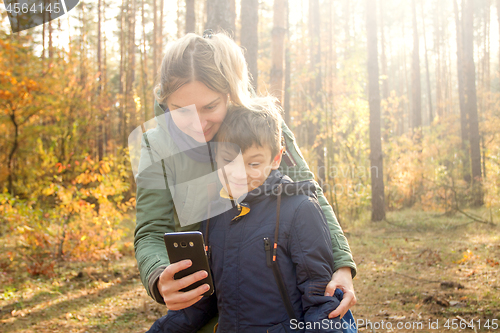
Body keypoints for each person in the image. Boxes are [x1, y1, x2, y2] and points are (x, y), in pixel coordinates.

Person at [133, 31, 357, 332]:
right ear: (165, 102)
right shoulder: (155, 145)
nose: (198, 125)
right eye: (181, 111)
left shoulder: (260, 127)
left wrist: (341, 267)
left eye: (210, 107)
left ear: (229, 94)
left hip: (279, 297)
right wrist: (159, 276)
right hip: (207, 301)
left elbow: (308, 192)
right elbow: (151, 230)